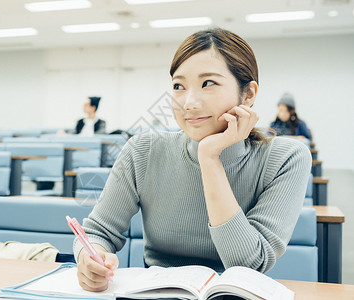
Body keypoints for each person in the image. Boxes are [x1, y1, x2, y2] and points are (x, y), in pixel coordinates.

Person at [74, 28, 312, 292]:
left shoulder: (287, 158)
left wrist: (210, 158)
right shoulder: (143, 150)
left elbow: (248, 264)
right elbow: (98, 232)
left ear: (249, 94)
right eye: (179, 86)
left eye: (208, 83)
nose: (189, 102)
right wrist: (90, 258)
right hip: (156, 296)